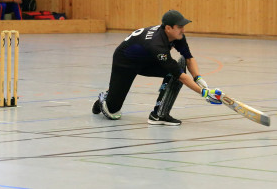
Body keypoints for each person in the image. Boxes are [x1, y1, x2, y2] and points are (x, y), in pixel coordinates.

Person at [92, 10, 222, 126]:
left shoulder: (177, 36)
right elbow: (180, 76)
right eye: (180, 27)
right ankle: (105, 99)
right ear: (168, 28)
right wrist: (203, 93)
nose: (183, 30)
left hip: (148, 60)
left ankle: (158, 114)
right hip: (125, 63)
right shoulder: (157, 44)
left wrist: (198, 78)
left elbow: (188, 58)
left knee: (178, 67)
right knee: (112, 111)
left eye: (183, 26)